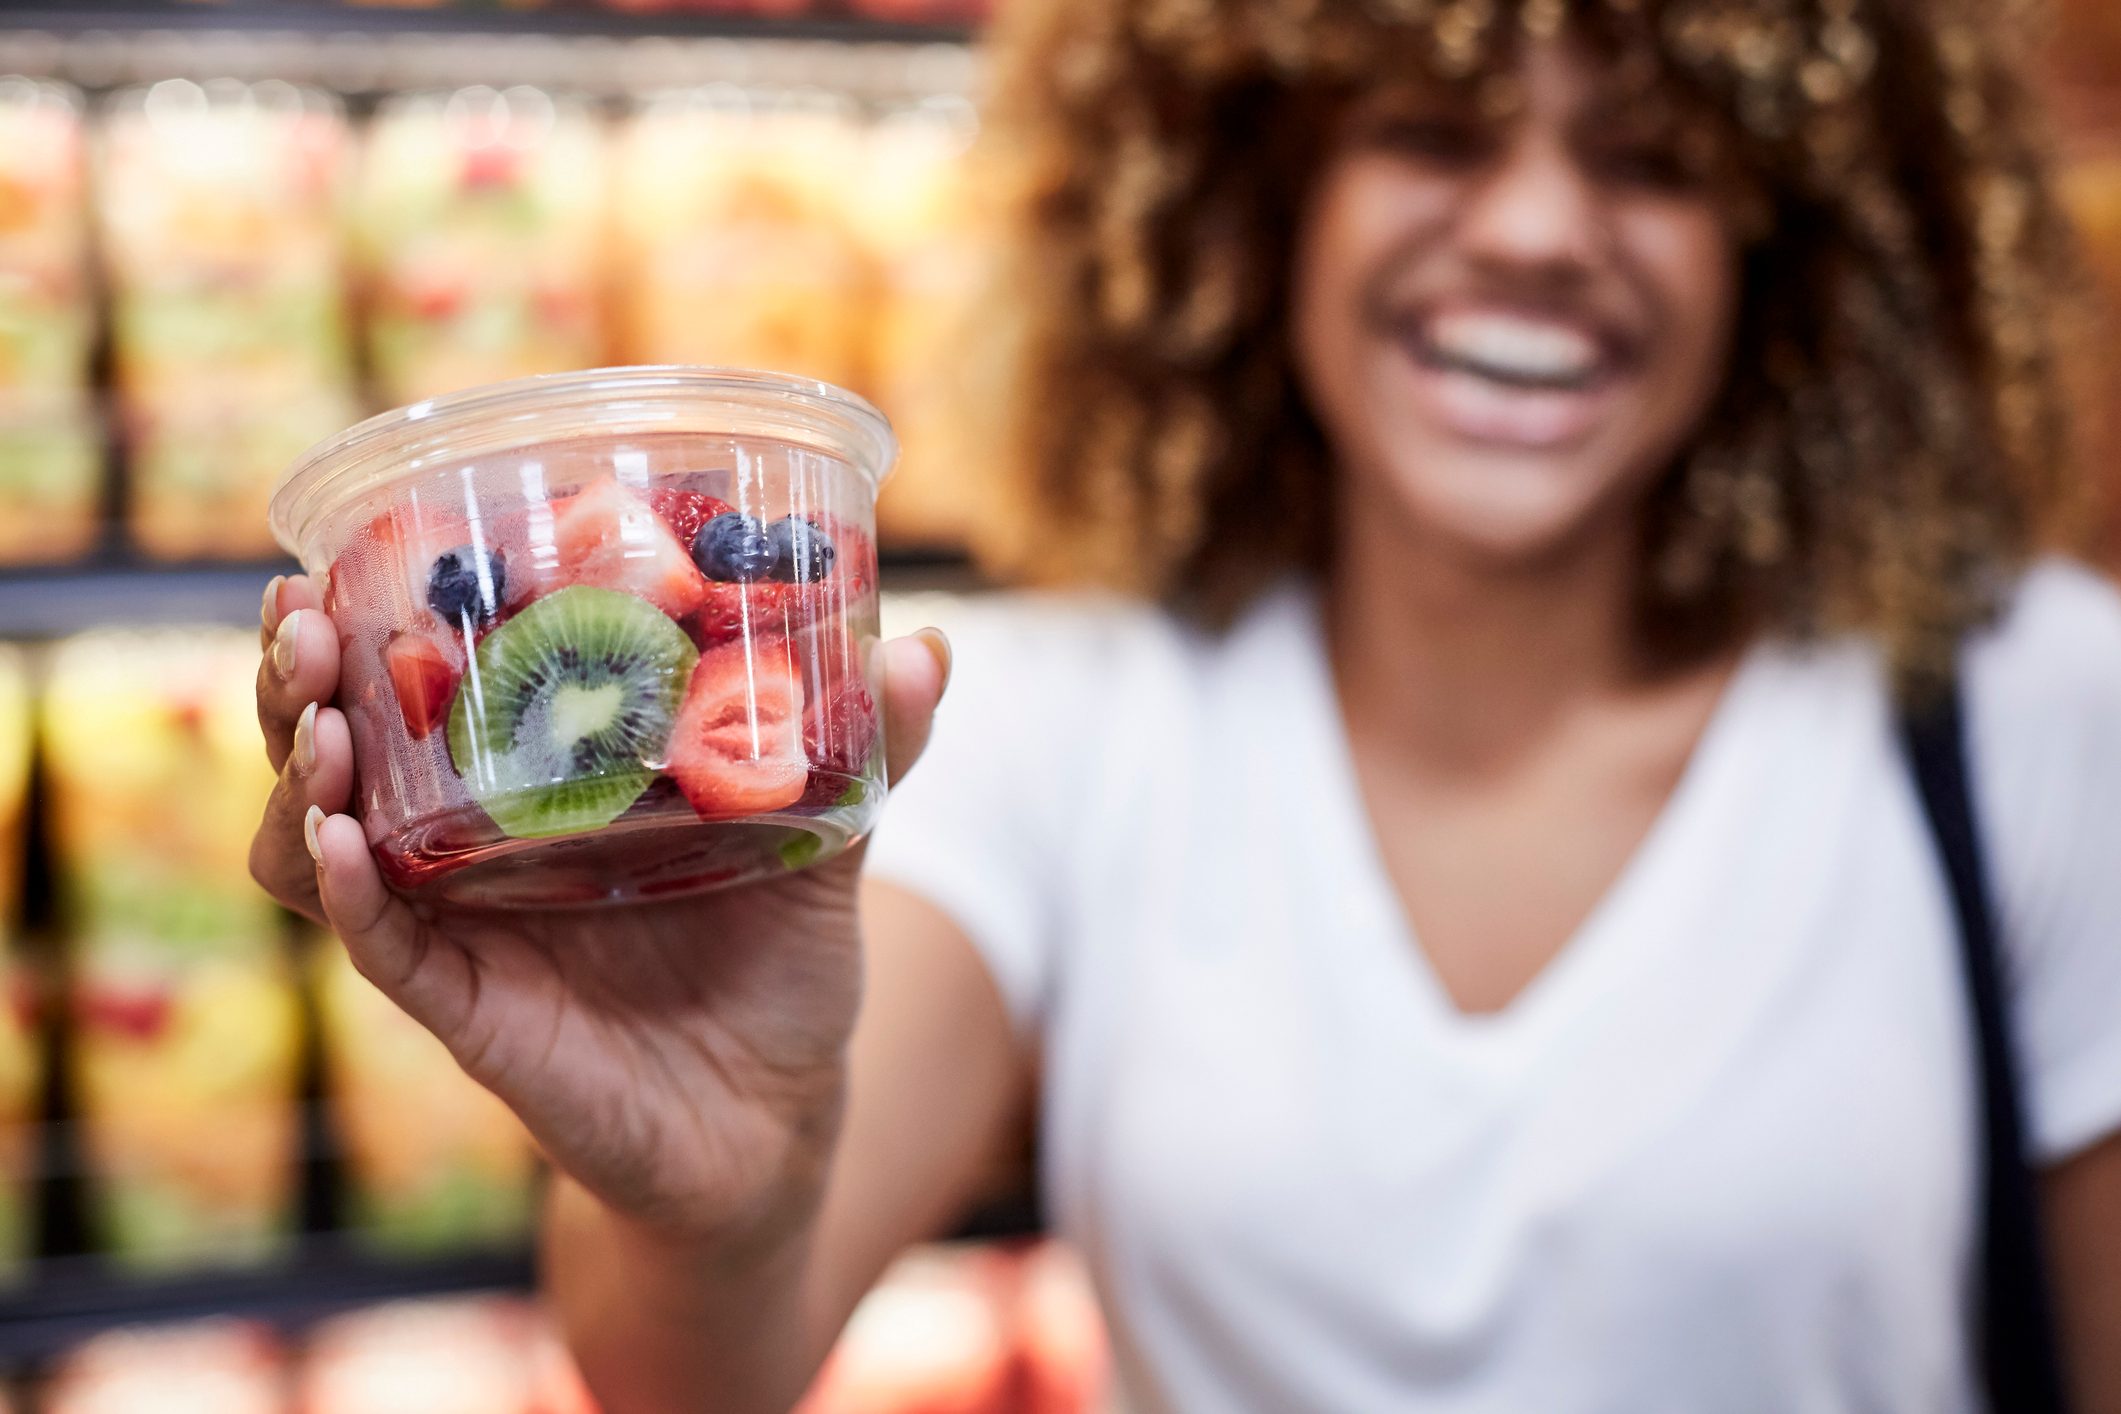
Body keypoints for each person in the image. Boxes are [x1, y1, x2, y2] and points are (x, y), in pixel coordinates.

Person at [252, 0, 2121, 1409]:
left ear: (1791, 244)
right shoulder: (1068, 714)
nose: (1541, 226)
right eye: (1431, 132)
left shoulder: (2029, 706)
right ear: (1256, 192)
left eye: (1654, 157)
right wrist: (712, 1190)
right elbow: (696, 1362)